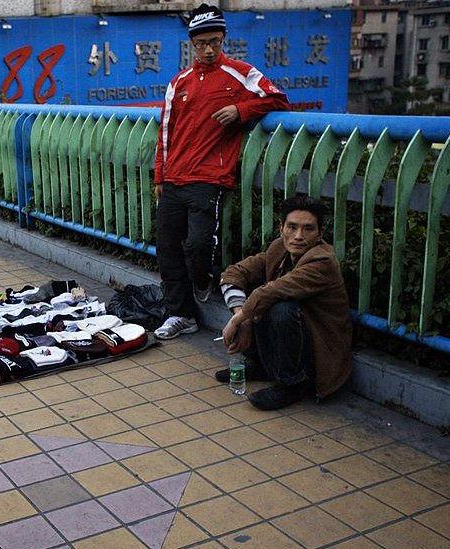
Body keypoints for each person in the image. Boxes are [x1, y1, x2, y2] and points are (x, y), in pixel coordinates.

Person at [152, 3, 289, 340]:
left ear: (223, 39)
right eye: (201, 44)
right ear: (192, 44)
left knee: (198, 244)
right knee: (167, 248)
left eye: (214, 41)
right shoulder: (178, 82)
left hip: (208, 177)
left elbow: (278, 100)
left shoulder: (241, 72)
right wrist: (160, 175)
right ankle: (180, 315)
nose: (209, 49)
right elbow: (165, 132)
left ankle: (202, 280)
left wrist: (241, 109)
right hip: (173, 177)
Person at [215, 195, 353, 410]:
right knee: (253, 295)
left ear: (320, 234)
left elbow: (274, 291)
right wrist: (243, 317)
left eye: (308, 229)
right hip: (290, 339)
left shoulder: (322, 260)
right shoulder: (279, 248)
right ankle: (262, 365)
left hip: (318, 350)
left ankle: (292, 384)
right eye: (292, 227)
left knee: (280, 306)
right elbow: (234, 273)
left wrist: (239, 319)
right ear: (282, 228)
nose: (298, 236)